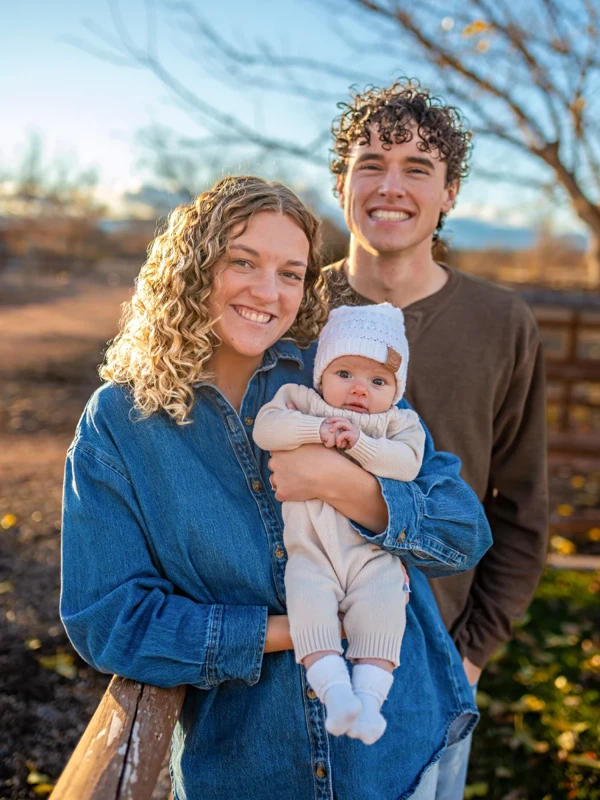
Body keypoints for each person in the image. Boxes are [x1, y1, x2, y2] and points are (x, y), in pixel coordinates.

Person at [60, 175, 492, 800]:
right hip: (247, 768)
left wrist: (345, 485)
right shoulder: (123, 424)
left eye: (291, 273)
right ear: (193, 269)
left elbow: (460, 532)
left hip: (400, 753)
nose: (268, 291)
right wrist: (302, 630)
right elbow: (110, 621)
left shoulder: (335, 375)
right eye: (244, 262)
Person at [323, 80, 549, 797]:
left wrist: (470, 657)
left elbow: (520, 504)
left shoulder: (501, 323)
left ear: (450, 193)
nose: (392, 187)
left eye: (418, 168)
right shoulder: (289, 306)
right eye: (371, 163)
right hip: (287, 655)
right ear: (340, 184)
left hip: (433, 670)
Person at [253, 302, 425, 745]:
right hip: (312, 551)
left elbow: (406, 464)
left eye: (378, 380)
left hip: (373, 557)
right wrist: (316, 430)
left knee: (386, 613)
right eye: (344, 373)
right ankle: (334, 693)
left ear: (396, 387)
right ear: (322, 374)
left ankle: (369, 702)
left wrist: (361, 445)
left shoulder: (398, 423)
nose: (359, 391)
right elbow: (266, 431)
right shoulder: (302, 402)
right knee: (308, 606)